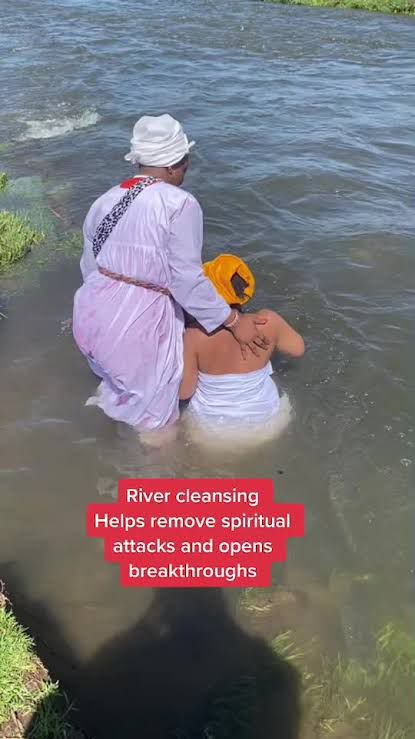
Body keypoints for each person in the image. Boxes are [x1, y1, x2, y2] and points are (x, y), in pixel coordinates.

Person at [72, 114, 267, 431]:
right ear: (176, 164)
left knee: (120, 390)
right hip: (136, 324)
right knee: (158, 425)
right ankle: (151, 478)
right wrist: (234, 322)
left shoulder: (105, 200)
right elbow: (186, 280)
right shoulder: (179, 203)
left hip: (90, 315)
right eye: (186, 162)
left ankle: (107, 463)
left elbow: (88, 266)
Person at [180, 254, 304, 442]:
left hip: (212, 431)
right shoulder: (266, 321)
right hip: (270, 422)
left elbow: (185, 391)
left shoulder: (194, 335)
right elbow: (297, 349)